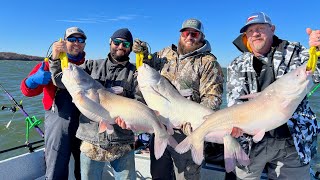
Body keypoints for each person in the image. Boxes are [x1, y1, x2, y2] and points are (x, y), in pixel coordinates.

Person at [227, 12, 320, 179]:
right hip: (250, 144)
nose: (255, 33)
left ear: (272, 29)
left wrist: (317, 50)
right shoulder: (236, 64)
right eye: (250, 31)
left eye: (260, 28)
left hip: (292, 142)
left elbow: (315, 73)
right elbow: (235, 101)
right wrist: (237, 126)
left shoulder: (295, 51)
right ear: (246, 36)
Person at [131, 18, 225, 180]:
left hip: (187, 133)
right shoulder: (165, 53)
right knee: (159, 175)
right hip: (160, 127)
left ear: (201, 36)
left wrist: (196, 125)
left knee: (186, 176)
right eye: (186, 33)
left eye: (194, 34)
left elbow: (212, 98)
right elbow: (146, 68)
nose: (190, 37)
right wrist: (143, 53)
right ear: (180, 34)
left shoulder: (208, 62)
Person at [49, 28, 137, 180]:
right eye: (117, 42)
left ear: (130, 47)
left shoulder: (135, 73)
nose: (120, 46)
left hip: (123, 140)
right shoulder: (91, 66)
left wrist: (131, 118)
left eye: (125, 44)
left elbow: (141, 100)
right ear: (110, 42)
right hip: (91, 141)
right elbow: (61, 80)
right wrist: (55, 59)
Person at [20, 26, 86, 179]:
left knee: (85, 167)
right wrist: (32, 80)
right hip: (57, 122)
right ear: (63, 41)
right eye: (72, 39)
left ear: (84, 43)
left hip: (84, 122)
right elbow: (26, 91)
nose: (76, 43)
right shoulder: (49, 64)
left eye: (80, 39)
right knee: (56, 167)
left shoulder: (89, 67)